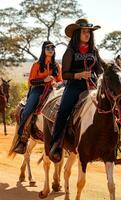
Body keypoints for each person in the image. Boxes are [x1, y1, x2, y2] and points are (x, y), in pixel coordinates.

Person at [49, 18, 108, 163]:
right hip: (74, 86)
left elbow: (99, 68)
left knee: (109, 106)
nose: (87, 34)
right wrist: (79, 75)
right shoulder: (70, 51)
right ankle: (56, 144)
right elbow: (65, 75)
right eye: (84, 32)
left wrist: (109, 72)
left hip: (92, 86)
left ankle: (112, 141)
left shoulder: (93, 50)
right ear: (77, 33)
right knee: (63, 111)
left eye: (89, 32)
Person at [14, 41, 63, 154]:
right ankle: (22, 140)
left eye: (52, 48)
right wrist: (44, 80)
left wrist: (56, 83)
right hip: (37, 89)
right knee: (28, 110)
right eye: (48, 48)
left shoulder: (57, 65)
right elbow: (31, 80)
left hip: (52, 89)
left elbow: (60, 80)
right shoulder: (36, 64)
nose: (51, 50)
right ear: (43, 50)